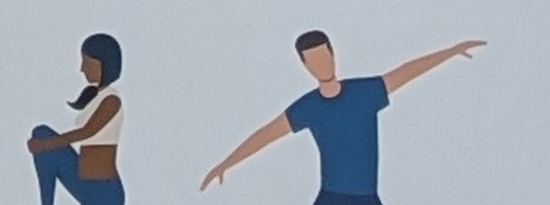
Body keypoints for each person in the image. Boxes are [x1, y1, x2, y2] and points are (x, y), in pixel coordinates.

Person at [199, 32, 482, 199]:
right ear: (305, 65)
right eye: (314, 61)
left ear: (333, 54)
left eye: (325, 56)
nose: (322, 64)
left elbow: (406, 72)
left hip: (367, 199)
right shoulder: (308, 107)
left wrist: (450, 52)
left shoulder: (365, 93)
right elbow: (266, 134)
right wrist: (227, 163)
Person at [26, 33, 128, 205]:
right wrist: (45, 143)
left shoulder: (112, 100)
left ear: (103, 64)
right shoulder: (95, 97)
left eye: (87, 63)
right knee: (41, 132)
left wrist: (47, 145)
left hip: (104, 189)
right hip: (82, 180)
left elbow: (87, 132)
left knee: (44, 142)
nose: (82, 69)